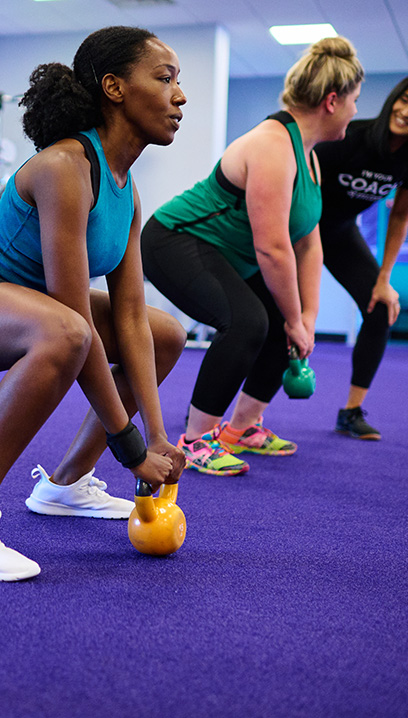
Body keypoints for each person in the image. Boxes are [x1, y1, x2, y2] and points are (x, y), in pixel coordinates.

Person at [0, 26, 188, 581]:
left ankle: (67, 484)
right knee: (67, 334)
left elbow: (129, 319)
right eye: (165, 78)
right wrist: (130, 448)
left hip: (22, 302)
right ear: (114, 87)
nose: (180, 95)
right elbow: (76, 323)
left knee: (165, 331)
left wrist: (157, 437)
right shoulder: (64, 167)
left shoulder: (126, 187)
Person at [141, 37, 364, 475]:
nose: (357, 111)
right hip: (175, 240)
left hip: (226, 254)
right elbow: (273, 247)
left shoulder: (311, 158)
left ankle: (240, 428)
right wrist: (295, 318)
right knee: (247, 321)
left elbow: (307, 242)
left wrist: (307, 317)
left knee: (283, 323)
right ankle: (196, 439)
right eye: (356, 101)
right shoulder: (272, 146)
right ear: (333, 102)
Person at [313, 74, 408, 440]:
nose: (407, 112)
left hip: (339, 234)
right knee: (276, 316)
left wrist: (384, 279)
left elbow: (400, 216)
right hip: (299, 229)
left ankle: (351, 412)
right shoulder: (349, 136)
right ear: (393, 98)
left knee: (379, 307)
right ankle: (242, 416)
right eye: (405, 100)